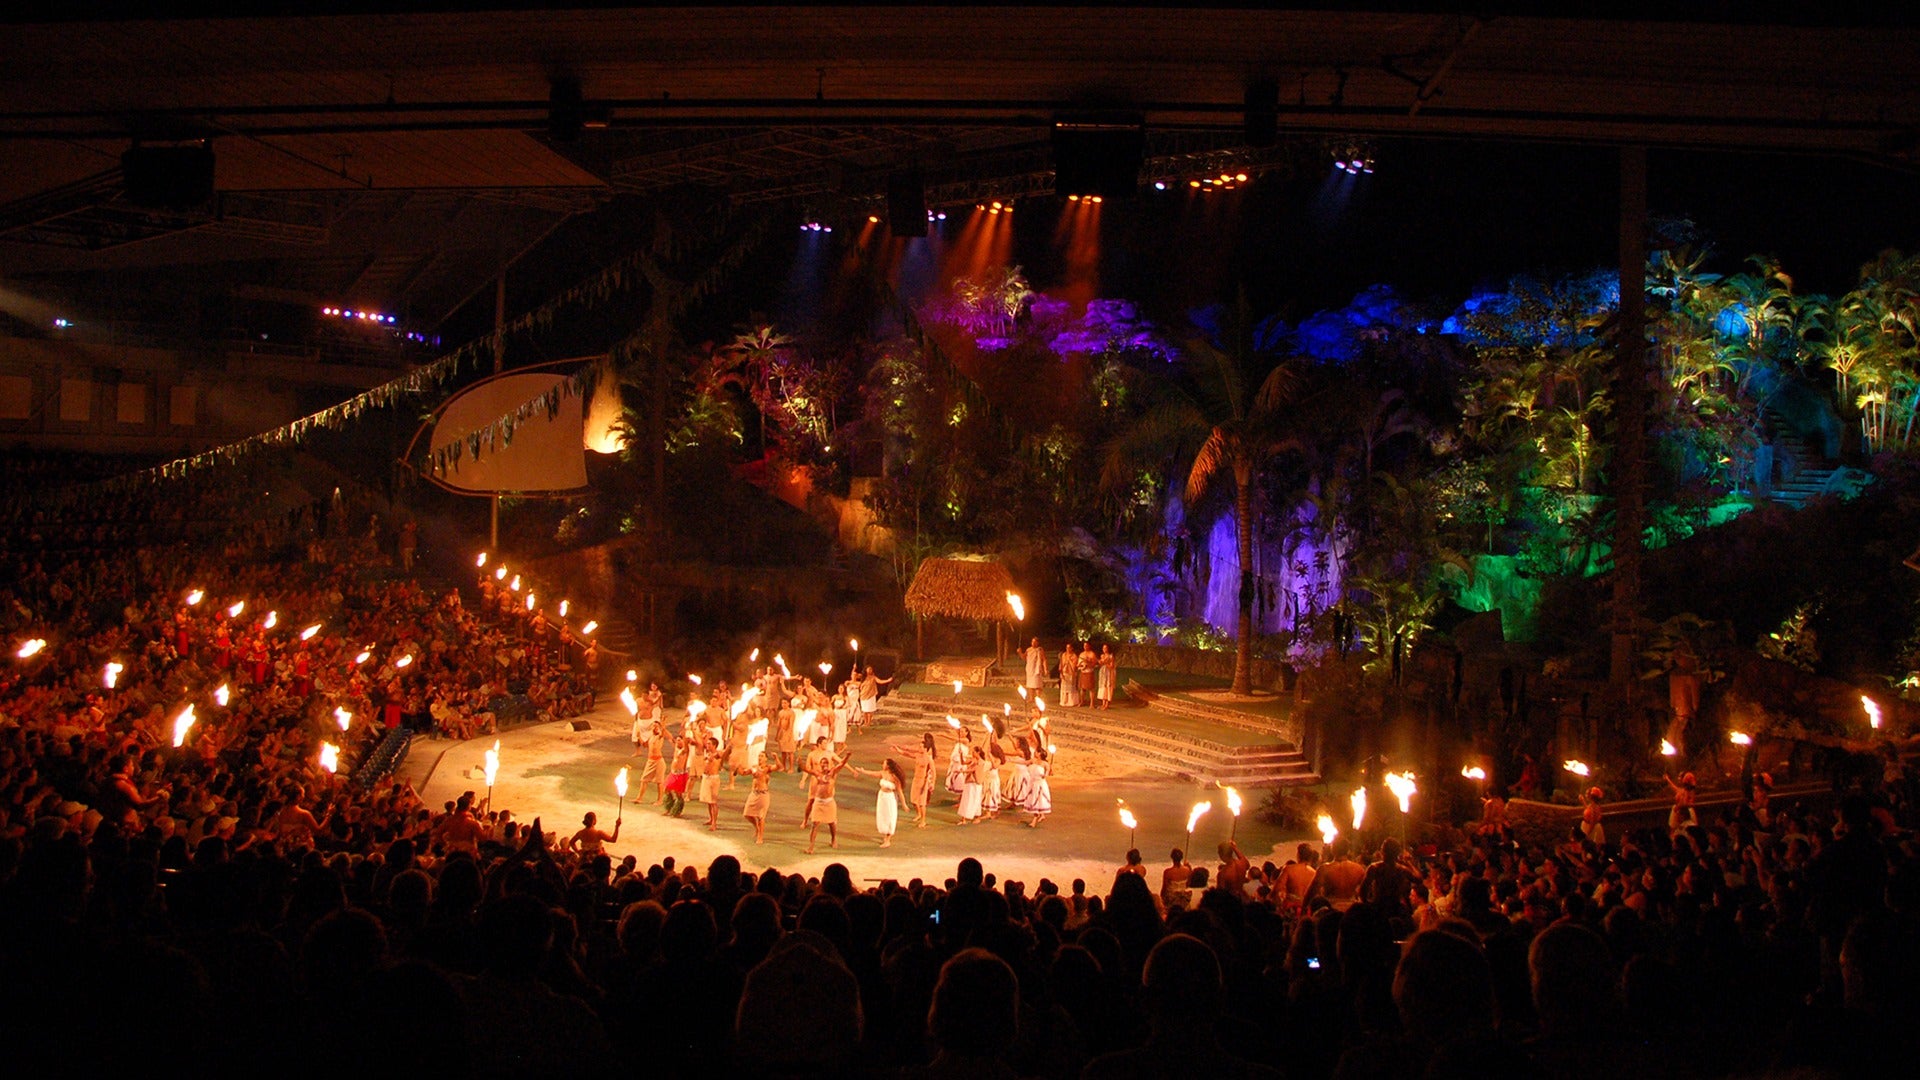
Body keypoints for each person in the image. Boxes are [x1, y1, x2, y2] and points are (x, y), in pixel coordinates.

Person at [847, 758, 908, 847]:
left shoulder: (894, 777)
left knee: (889, 817)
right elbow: (872, 773)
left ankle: (888, 840)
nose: (882, 765)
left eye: (884, 763)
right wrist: (862, 771)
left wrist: (904, 804)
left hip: (889, 798)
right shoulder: (883, 773)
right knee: (883, 816)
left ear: (888, 766)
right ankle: (885, 835)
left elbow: (900, 791)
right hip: (882, 797)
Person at [804, 750, 848, 854]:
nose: (824, 765)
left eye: (826, 763)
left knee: (831, 823)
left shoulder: (832, 773)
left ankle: (833, 840)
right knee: (815, 823)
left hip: (829, 802)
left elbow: (842, 764)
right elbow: (807, 769)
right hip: (818, 802)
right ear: (819, 765)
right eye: (822, 763)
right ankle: (811, 847)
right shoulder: (817, 774)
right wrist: (800, 763)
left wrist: (847, 756)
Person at [741, 752, 774, 843]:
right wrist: (738, 766)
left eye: (762, 756)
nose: (760, 758)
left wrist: (776, 758)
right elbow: (743, 773)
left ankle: (760, 837)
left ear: (766, 759)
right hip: (754, 793)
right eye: (759, 756)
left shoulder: (767, 768)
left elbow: (779, 767)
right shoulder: (754, 767)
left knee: (761, 817)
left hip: (763, 794)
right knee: (747, 814)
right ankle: (757, 828)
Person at [910, 731, 937, 828]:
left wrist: (932, 783)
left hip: (923, 781)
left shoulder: (929, 759)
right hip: (915, 779)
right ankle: (919, 814)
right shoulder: (917, 755)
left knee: (922, 803)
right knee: (913, 800)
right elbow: (907, 754)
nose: (919, 748)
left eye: (921, 747)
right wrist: (898, 750)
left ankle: (923, 820)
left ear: (926, 748)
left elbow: (933, 772)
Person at [1022, 743, 1052, 828]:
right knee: (1037, 801)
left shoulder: (1045, 764)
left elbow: (1047, 774)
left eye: (1036, 752)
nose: (1034, 753)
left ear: (1039, 753)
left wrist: (1045, 774)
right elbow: (1024, 762)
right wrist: (1010, 760)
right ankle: (1041, 815)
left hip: (1040, 785)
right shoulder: (1033, 760)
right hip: (1033, 783)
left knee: (1037, 801)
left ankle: (1034, 821)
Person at [700, 735, 724, 830]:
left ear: (714, 745)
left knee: (713, 802)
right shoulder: (707, 753)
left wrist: (713, 756)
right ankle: (710, 819)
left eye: (709, 744)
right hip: (706, 777)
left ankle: (714, 823)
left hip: (713, 779)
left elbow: (722, 754)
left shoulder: (718, 754)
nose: (707, 745)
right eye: (707, 743)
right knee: (709, 802)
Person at [1096, 643, 1118, 709]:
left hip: (1108, 673)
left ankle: (1107, 704)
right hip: (1103, 673)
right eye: (1103, 648)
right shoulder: (1102, 656)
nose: (1104, 649)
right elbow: (1100, 664)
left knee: (1108, 687)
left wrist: (1105, 662)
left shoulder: (1111, 656)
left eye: (1105, 648)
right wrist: (1099, 662)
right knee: (1103, 687)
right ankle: (1103, 704)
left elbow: (1112, 666)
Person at [1077, 642, 1097, 707]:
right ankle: (1082, 701)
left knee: (1091, 688)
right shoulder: (1081, 654)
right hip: (1083, 672)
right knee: (1082, 688)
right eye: (1084, 645)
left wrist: (1088, 662)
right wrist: (1081, 666)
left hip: (1089, 672)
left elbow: (1094, 664)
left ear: (1089, 646)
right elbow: (1078, 664)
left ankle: (1092, 703)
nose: (1085, 647)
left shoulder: (1092, 654)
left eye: (1086, 645)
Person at [1059, 643, 1078, 707]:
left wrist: (1069, 660)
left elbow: (1074, 666)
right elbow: (1061, 664)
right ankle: (1064, 700)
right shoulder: (1064, 655)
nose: (1068, 649)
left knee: (1070, 688)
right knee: (1064, 687)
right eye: (1067, 648)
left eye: (1069, 648)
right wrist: (1061, 672)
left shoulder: (1074, 656)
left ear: (1072, 648)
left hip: (1071, 673)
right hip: (1064, 672)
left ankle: (1070, 701)